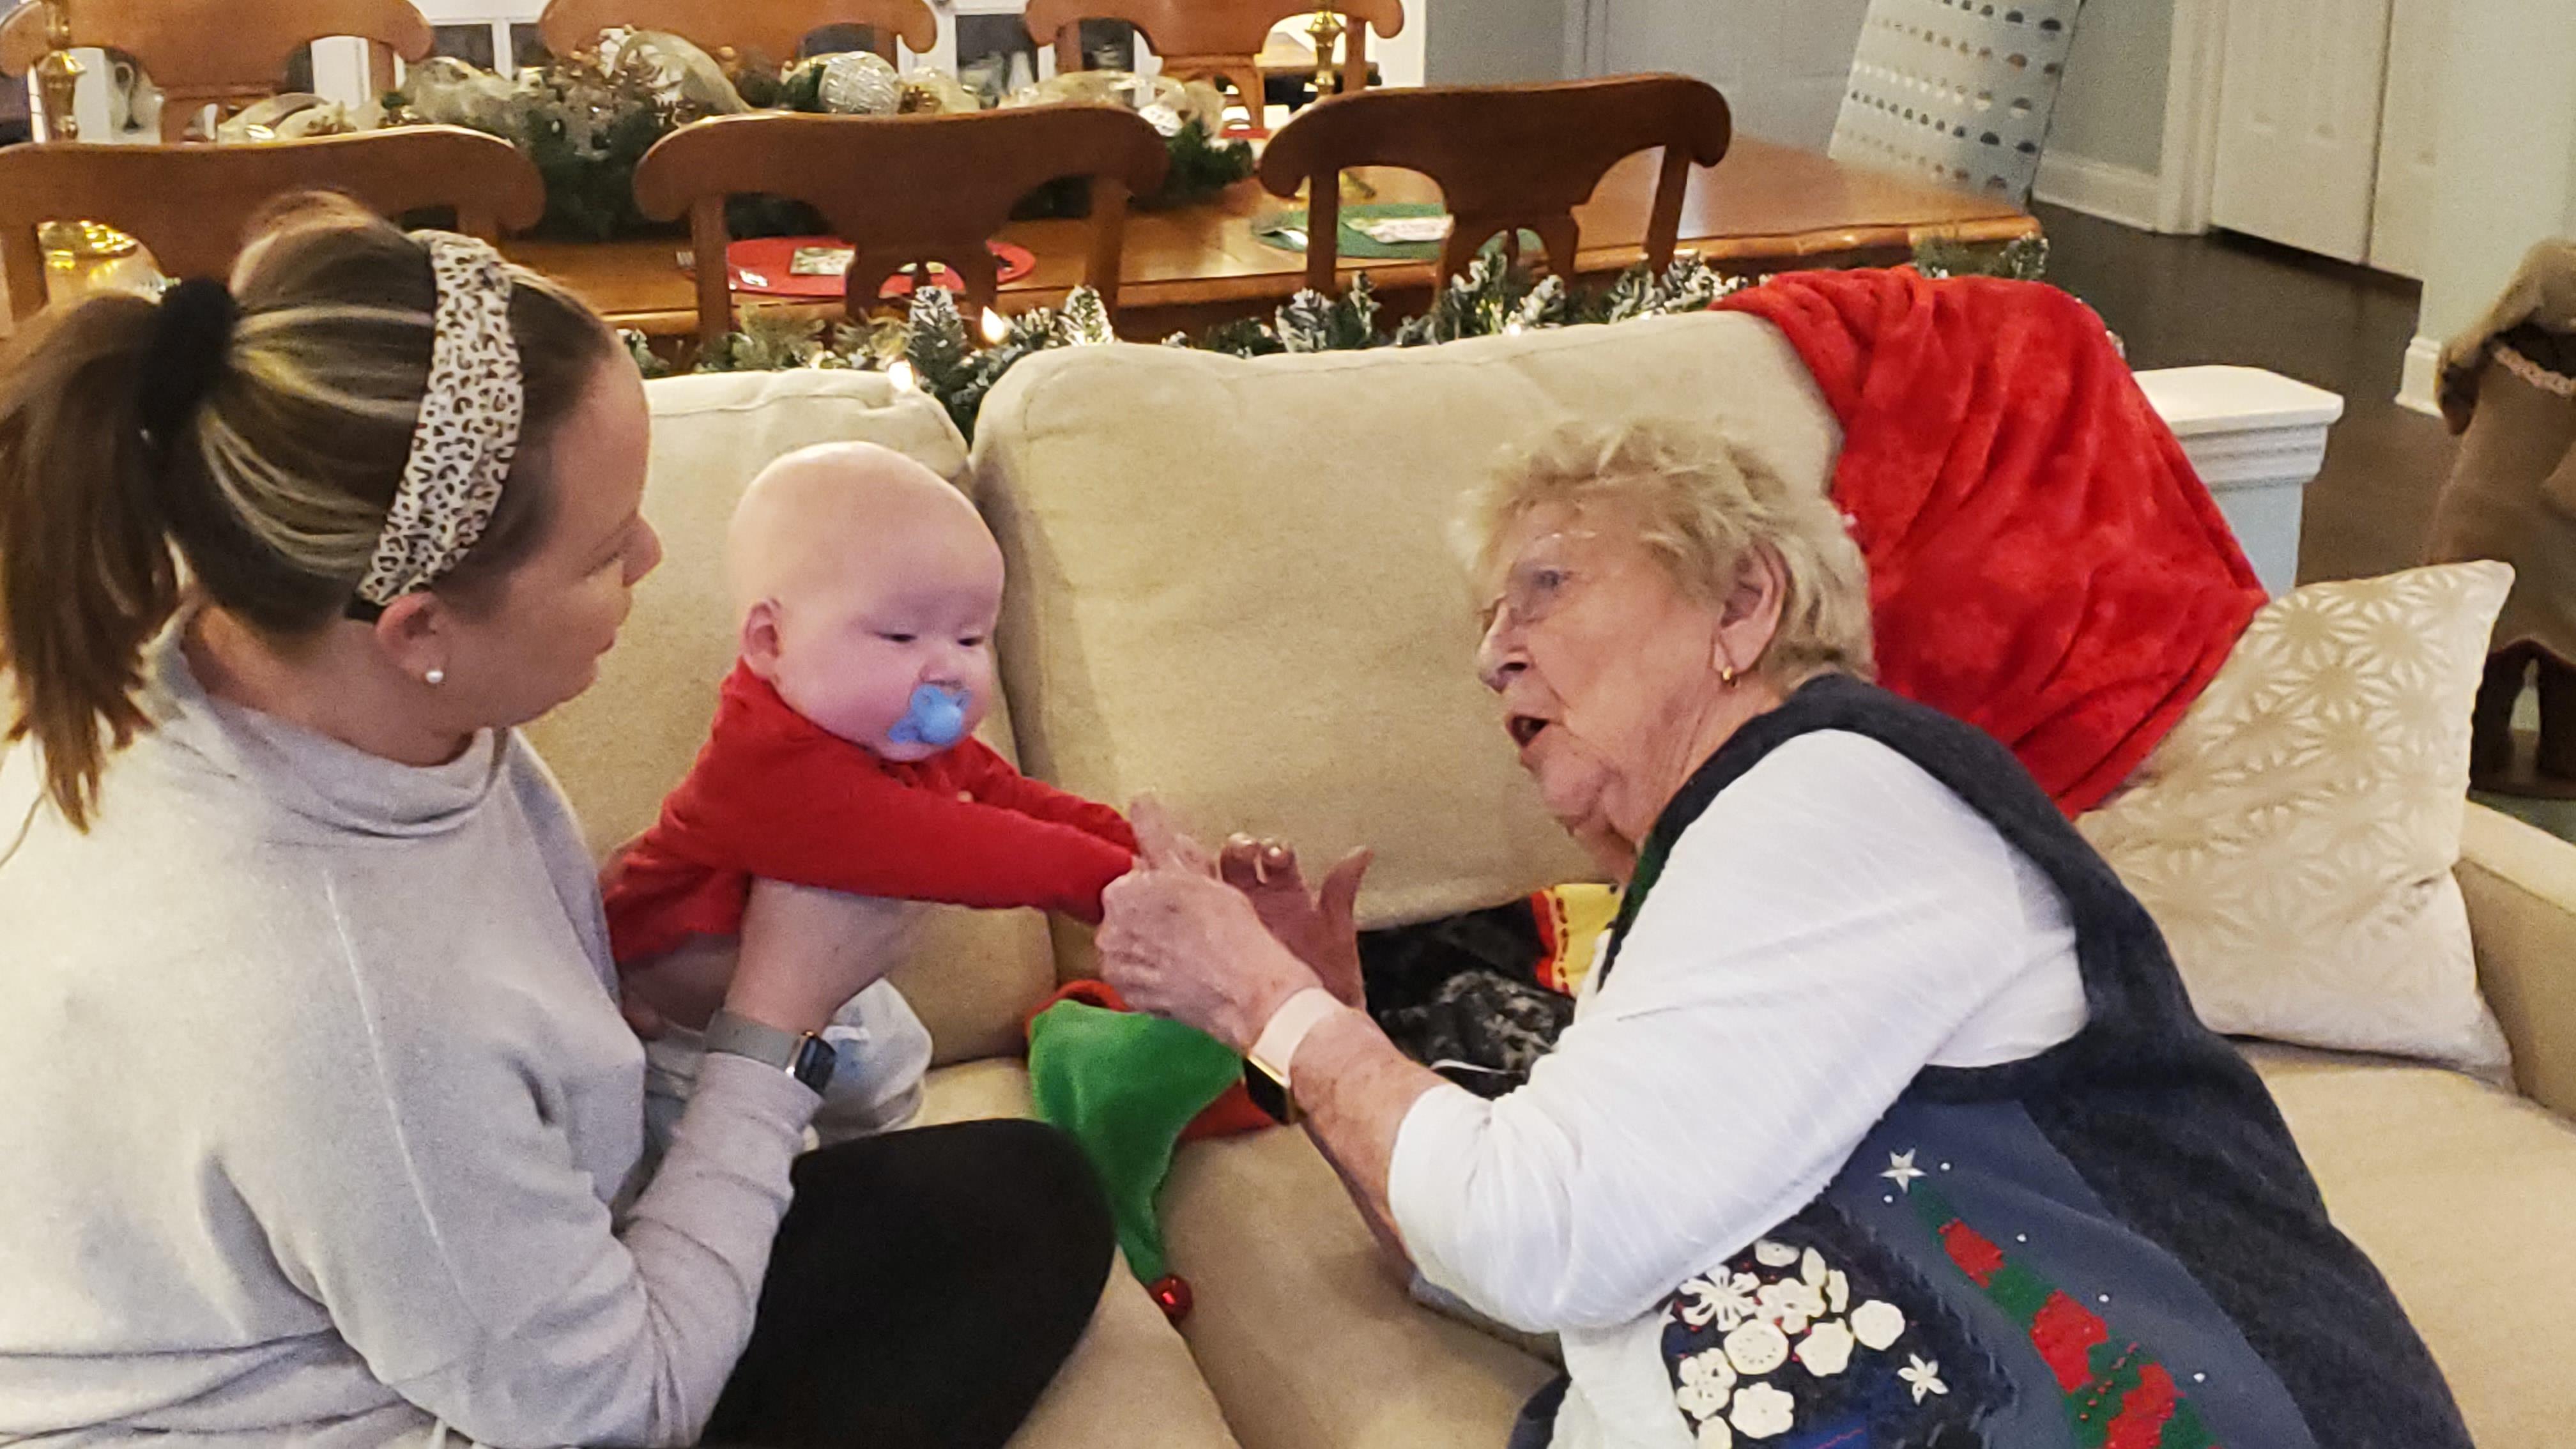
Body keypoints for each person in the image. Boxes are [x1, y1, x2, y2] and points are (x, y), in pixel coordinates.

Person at [1095, 418, 2475, 1449]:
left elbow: (1539, 1233)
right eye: (1490, 616)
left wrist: (1269, 1001)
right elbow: (1494, 1255)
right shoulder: (1708, 896)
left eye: (1547, 586)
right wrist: (1323, 1027)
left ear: (1743, 605)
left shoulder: (1836, 791)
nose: (1491, 652)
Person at [0, 196, 1110, 1449]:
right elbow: (615, 1414)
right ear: (420, 627)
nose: (650, 554)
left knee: (1014, 1199)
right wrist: (775, 1023)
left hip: (441, 1284)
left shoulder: (307, 673)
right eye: (600, 552)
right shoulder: (336, 1000)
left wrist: (649, 982)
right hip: (370, 1413)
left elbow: (490, 1070)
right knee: (1012, 1228)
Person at [603, 440, 1140, 1156]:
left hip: (836, 997)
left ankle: (875, 1154)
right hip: (685, 1042)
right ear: (770, 640)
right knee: (745, 1159)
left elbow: (1014, 798)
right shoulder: (772, 771)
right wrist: (1124, 889)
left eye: (971, 637)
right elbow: (978, 849)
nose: (947, 671)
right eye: (900, 635)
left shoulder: (885, 734)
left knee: (891, 1064)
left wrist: (1142, 853)